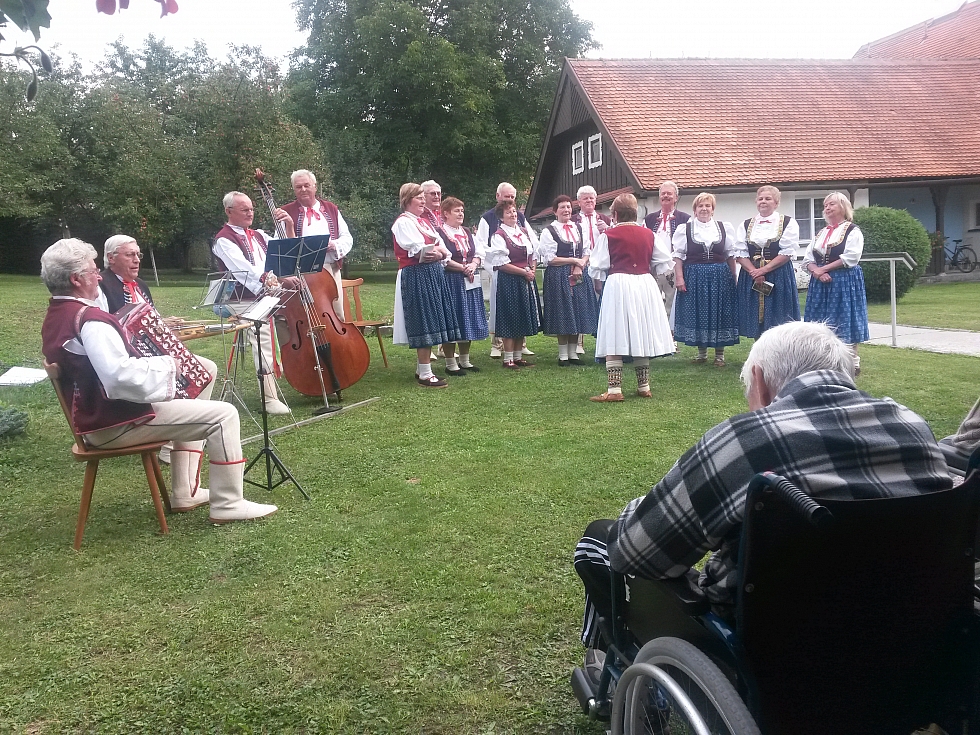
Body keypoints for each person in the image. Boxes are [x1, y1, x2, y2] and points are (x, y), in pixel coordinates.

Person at [573, 320, 952, 668]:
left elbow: (634, 552)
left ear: (759, 381)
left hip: (771, 651)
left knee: (600, 540)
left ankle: (614, 661)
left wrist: (642, 507)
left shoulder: (748, 440)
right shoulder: (912, 427)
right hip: (903, 636)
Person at [40, 238, 277, 523]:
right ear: (76, 280)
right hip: (113, 423)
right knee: (224, 415)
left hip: (96, 416)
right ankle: (228, 503)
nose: (99, 277)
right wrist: (167, 365)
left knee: (202, 370)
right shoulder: (90, 320)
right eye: (93, 271)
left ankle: (185, 490)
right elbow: (118, 378)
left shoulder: (58, 313)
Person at [212, 191, 300, 415]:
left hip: (264, 294)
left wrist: (289, 225)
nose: (250, 213)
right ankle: (268, 397)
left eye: (251, 209)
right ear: (229, 211)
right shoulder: (224, 240)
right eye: (244, 209)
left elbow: (284, 253)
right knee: (262, 329)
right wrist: (276, 281)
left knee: (284, 319)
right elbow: (245, 272)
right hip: (238, 299)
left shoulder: (258, 235)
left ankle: (295, 374)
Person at [587, 193, 674, 401]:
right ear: (635, 213)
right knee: (641, 329)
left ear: (615, 214)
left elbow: (597, 265)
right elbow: (663, 262)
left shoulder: (608, 235)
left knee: (615, 329)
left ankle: (614, 390)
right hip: (644, 283)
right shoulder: (649, 234)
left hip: (618, 283)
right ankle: (644, 386)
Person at [391, 182, 461, 388]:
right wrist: (437, 252)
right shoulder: (403, 222)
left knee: (432, 318)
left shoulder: (423, 222)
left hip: (431, 274)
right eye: (419, 197)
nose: (423, 201)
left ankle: (422, 369)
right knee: (424, 320)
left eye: (423, 197)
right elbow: (421, 251)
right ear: (407, 200)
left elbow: (444, 249)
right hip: (416, 275)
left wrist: (438, 252)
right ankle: (425, 373)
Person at [802, 192, 869, 374]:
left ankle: (852, 362)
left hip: (844, 280)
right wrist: (817, 272)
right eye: (825, 205)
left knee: (845, 318)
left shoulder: (852, 230)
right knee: (819, 321)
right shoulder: (821, 233)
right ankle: (821, 360)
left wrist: (824, 269)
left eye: (831, 204)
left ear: (843, 207)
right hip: (820, 283)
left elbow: (851, 257)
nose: (827, 208)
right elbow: (808, 259)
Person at [672, 192, 739, 367]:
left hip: (720, 275)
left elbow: (730, 255)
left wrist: (734, 277)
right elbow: (678, 256)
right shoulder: (685, 229)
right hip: (694, 275)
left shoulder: (724, 227)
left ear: (713, 209)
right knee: (698, 312)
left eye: (707, 206)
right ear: (694, 210)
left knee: (720, 312)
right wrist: (679, 278)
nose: (704, 209)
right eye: (700, 206)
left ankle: (719, 355)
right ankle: (701, 353)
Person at [279, 169, 353, 319]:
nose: (303, 189)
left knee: (336, 314)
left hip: (330, 269)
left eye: (307, 185)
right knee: (309, 317)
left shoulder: (331, 208)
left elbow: (347, 237)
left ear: (315, 186)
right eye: (298, 187)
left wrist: (334, 245)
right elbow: (280, 244)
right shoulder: (286, 212)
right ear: (294, 189)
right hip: (303, 273)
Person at [476, 182, 537, 359]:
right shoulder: (488, 218)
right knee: (504, 311)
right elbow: (482, 244)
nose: (509, 201)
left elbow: (533, 245)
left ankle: (520, 348)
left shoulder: (521, 220)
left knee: (520, 311)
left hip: (523, 273)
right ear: (498, 196)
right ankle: (497, 345)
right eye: (506, 197)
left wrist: (531, 268)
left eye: (512, 198)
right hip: (499, 269)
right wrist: (492, 267)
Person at [734, 186, 801, 339]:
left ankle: (780, 351)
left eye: (768, 198)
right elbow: (740, 253)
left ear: (776, 203)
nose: (763, 201)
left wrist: (763, 270)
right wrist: (754, 272)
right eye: (760, 199)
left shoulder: (788, 222)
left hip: (778, 273)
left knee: (780, 315)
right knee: (755, 315)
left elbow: (787, 252)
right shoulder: (746, 224)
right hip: (751, 274)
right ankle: (759, 350)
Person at [539, 195, 599, 365]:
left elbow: (587, 251)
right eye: (562, 207)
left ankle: (573, 353)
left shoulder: (579, 228)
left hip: (579, 273)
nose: (566, 210)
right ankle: (563, 355)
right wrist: (573, 261)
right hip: (558, 275)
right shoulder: (549, 231)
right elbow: (550, 259)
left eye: (568, 207)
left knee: (577, 311)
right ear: (555, 211)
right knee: (563, 311)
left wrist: (581, 265)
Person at [435, 196, 488, 375]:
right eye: (456, 211)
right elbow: (444, 258)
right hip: (451, 281)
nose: (461, 214)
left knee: (468, 318)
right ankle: (451, 363)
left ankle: (465, 360)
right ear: (446, 213)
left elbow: (479, 252)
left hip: (469, 280)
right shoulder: (440, 233)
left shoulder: (466, 232)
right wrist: (463, 268)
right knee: (452, 319)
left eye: (462, 211)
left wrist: (473, 264)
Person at [643, 181, 690, 328]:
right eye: (663, 193)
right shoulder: (649, 219)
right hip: (654, 268)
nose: (666, 196)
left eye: (669, 193)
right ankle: (654, 333)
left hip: (674, 267)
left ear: (676, 197)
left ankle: (671, 334)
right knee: (653, 301)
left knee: (672, 302)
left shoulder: (685, 219)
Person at [570, 185, 610, 356]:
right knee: (580, 301)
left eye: (592, 198)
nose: (589, 201)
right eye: (585, 198)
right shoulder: (573, 220)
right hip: (582, 264)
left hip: (602, 264)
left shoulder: (604, 219)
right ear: (579, 202)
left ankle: (604, 339)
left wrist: (606, 230)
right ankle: (579, 341)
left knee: (603, 300)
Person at [98, 235, 154, 313]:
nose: (137, 260)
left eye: (138, 255)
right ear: (111, 258)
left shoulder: (141, 284)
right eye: (129, 254)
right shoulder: (100, 285)